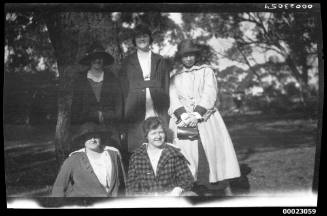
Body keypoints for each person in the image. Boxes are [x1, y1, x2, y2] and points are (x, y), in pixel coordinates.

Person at [168, 39, 241, 195]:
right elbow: (173, 98)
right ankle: (194, 186)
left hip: (205, 118)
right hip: (184, 120)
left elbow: (209, 93)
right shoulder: (175, 77)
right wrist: (185, 116)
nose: (188, 59)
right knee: (188, 150)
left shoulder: (206, 71)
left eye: (191, 55)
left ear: (195, 56)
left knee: (209, 148)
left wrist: (197, 114)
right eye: (185, 56)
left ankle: (216, 185)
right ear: (180, 58)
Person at [119, 23, 171, 157]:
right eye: (138, 37)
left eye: (145, 36)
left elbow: (165, 85)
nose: (142, 39)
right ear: (134, 41)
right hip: (135, 106)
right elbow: (124, 89)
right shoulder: (127, 62)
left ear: (150, 39)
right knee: (138, 143)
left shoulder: (159, 60)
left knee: (159, 138)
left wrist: (165, 105)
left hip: (157, 103)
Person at [71, 42, 124, 150]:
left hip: (110, 126)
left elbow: (119, 104)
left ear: (104, 60)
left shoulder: (112, 79)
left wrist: (115, 121)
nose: (98, 60)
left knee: (112, 154)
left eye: (100, 58)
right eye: (94, 57)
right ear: (89, 60)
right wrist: (92, 115)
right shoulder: (80, 80)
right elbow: (75, 108)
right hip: (87, 127)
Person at [51, 122, 126, 197]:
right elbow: (58, 189)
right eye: (89, 137)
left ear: (101, 137)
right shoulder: (73, 159)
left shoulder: (113, 154)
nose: (93, 139)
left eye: (96, 136)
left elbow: (124, 183)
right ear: (83, 139)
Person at [126, 117, 195, 196]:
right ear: (146, 136)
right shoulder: (136, 156)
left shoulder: (173, 154)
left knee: (191, 195)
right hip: (146, 200)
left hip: (170, 197)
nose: (158, 136)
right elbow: (131, 184)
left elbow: (187, 179)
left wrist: (177, 190)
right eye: (153, 133)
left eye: (161, 132)